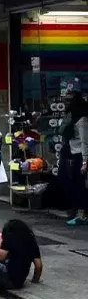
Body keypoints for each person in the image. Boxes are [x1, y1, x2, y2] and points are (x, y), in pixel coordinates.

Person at [59, 91, 88, 226]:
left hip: (80, 156)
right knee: (74, 185)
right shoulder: (70, 117)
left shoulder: (81, 119)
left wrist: (84, 161)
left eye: (69, 100)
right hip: (72, 153)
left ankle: (82, 214)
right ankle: (77, 211)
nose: (66, 103)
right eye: (65, 100)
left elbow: (84, 141)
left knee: (80, 186)